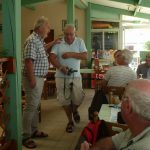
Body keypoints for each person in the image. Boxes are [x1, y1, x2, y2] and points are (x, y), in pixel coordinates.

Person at [22, 16, 60, 149]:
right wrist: (32, 79)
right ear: (40, 27)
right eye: (47, 26)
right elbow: (28, 61)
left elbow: (43, 47)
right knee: (31, 106)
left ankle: (33, 130)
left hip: (38, 77)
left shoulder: (38, 40)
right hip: (34, 77)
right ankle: (25, 135)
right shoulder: (32, 40)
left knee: (35, 105)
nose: (49, 29)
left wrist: (54, 42)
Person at [81, 79, 150, 150]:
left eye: (122, 97)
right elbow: (111, 142)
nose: (120, 101)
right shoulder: (137, 127)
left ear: (128, 106)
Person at [49, 24, 87, 133]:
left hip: (76, 76)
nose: (69, 37)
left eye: (71, 34)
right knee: (64, 100)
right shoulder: (59, 42)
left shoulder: (80, 41)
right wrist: (61, 67)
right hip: (61, 76)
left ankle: (74, 110)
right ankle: (70, 121)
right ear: (63, 33)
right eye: (66, 34)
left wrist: (71, 54)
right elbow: (51, 57)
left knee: (79, 98)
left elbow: (85, 56)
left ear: (75, 33)